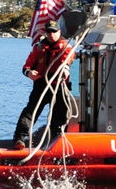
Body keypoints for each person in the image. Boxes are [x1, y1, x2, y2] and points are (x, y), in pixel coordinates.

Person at [12, 20, 75, 150]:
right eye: (49, 32)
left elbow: (67, 61)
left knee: (60, 117)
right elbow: (27, 66)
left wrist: (65, 70)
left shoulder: (67, 48)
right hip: (41, 85)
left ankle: (56, 142)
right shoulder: (38, 48)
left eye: (54, 32)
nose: (51, 34)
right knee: (30, 113)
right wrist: (29, 73)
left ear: (59, 32)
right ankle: (19, 138)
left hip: (59, 88)